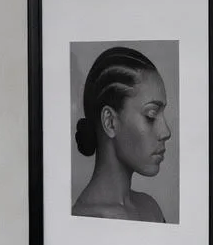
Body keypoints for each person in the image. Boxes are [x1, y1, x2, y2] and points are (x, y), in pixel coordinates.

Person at [72, 46, 172, 222]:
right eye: (151, 115)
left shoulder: (151, 208)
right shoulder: (85, 219)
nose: (166, 132)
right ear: (110, 122)